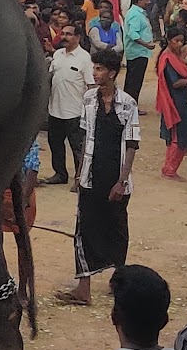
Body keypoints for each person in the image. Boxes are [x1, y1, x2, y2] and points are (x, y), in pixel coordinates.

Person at [57, 50, 139, 307]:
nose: (95, 73)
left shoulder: (128, 104)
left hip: (115, 177)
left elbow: (132, 145)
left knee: (116, 228)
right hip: (91, 176)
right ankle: (84, 288)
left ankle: (119, 278)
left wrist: (121, 181)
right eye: (95, 68)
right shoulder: (89, 99)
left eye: (100, 69)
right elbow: (84, 139)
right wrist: (79, 174)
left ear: (112, 73)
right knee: (84, 229)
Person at [44, 22, 93, 187]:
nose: (64, 37)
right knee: (55, 144)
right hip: (55, 110)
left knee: (77, 147)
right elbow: (50, 78)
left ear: (78, 37)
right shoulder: (57, 54)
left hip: (75, 111)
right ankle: (60, 174)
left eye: (68, 34)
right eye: (63, 33)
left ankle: (81, 179)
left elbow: (91, 86)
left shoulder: (85, 58)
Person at [158, 29, 187, 180]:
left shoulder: (174, 56)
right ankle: (169, 169)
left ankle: (170, 168)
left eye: (182, 41)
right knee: (177, 135)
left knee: (179, 134)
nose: (179, 44)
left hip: (180, 99)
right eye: (176, 40)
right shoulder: (167, 58)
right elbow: (175, 83)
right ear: (168, 40)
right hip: (174, 101)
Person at [122, 0, 155, 100]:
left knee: (133, 81)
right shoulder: (135, 14)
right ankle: (131, 104)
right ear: (139, 1)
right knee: (134, 82)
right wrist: (146, 45)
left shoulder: (137, 12)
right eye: (146, 0)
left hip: (139, 52)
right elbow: (133, 34)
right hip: (137, 52)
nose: (149, 2)